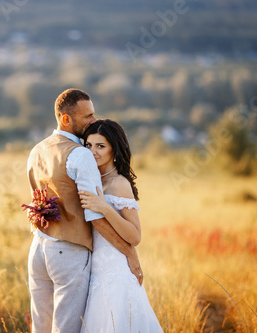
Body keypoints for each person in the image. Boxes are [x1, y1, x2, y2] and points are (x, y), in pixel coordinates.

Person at [26, 89, 143, 333]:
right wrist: (129, 253)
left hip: (38, 249)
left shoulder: (37, 150)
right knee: (67, 328)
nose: (93, 120)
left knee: (41, 327)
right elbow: (96, 217)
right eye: (87, 116)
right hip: (67, 252)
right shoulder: (80, 154)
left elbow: (37, 199)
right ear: (66, 119)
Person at [78, 119, 163, 333]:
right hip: (95, 269)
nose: (93, 151)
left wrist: (104, 207)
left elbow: (135, 236)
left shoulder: (120, 184)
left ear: (113, 150)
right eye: (88, 145)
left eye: (100, 146)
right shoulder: (91, 179)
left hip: (116, 270)